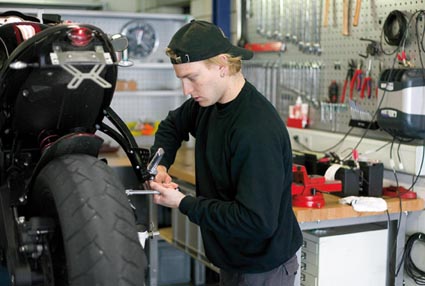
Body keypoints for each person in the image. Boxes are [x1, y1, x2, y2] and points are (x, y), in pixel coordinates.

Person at [149, 19, 303, 286]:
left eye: (192, 78)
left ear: (222, 66)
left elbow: (256, 221)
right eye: (182, 79)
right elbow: (173, 125)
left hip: (262, 268)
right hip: (233, 260)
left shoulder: (255, 130)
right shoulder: (207, 104)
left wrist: (183, 202)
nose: (186, 90)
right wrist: (160, 165)